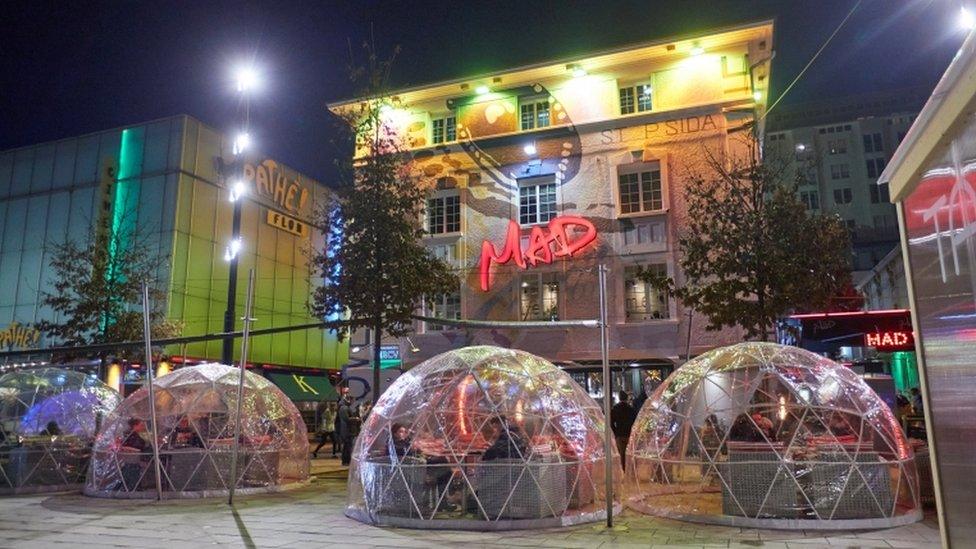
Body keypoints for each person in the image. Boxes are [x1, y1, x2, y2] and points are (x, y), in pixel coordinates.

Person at [610, 391, 636, 471]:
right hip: (628, 434)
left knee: (621, 454)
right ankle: (629, 470)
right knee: (629, 453)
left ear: (619, 398)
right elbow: (634, 421)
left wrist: (615, 432)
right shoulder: (631, 409)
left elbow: (611, 422)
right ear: (626, 398)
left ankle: (623, 470)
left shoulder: (615, 408)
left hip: (619, 435)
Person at [337, 396, 359, 466]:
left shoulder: (344, 407)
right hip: (347, 430)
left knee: (347, 446)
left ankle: (346, 461)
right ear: (349, 400)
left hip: (347, 430)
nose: (353, 402)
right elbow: (346, 419)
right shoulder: (344, 408)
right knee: (347, 446)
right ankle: (346, 461)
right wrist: (355, 418)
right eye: (352, 400)